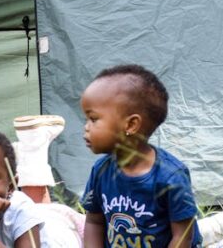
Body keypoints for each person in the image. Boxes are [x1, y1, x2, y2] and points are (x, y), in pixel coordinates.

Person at [79, 64, 203, 248]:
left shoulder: (171, 177)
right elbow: (94, 222)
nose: (86, 126)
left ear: (130, 125)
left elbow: (183, 235)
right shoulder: (100, 171)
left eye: (94, 119)